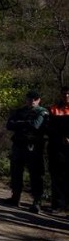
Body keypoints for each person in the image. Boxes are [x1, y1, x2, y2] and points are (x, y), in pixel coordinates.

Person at [2, 90, 48, 214]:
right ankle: (15, 197)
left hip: (33, 147)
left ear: (39, 100)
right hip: (18, 145)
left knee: (35, 174)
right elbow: (9, 125)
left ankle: (36, 202)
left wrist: (20, 123)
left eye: (35, 99)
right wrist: (25, 123)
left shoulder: (42, 112)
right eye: (29, 98)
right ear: (26, 99)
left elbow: (35, 125)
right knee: (16, 171)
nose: (32, 101)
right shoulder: (20, 111)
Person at [47, 86, 69, 214]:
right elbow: (49, 127)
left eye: (68, 94)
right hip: (57, 148)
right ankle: (57, 204)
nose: (66, 96)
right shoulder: (54, 109)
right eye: (64, 94)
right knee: (57, 176)